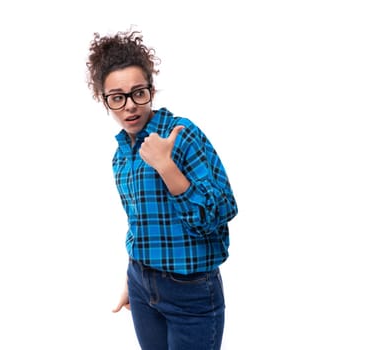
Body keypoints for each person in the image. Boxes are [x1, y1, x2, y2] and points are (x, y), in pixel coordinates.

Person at [86, 28, 238, 350]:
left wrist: (166, 167)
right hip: (142, 286)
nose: (130, 106)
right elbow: (139, 223)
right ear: (105, 102)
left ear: (151, 90)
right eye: (118, 98)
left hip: (191, 293)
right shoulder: (120, 156)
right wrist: (135, 276)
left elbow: (222, 209)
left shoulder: (181, 134)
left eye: (138, 92)